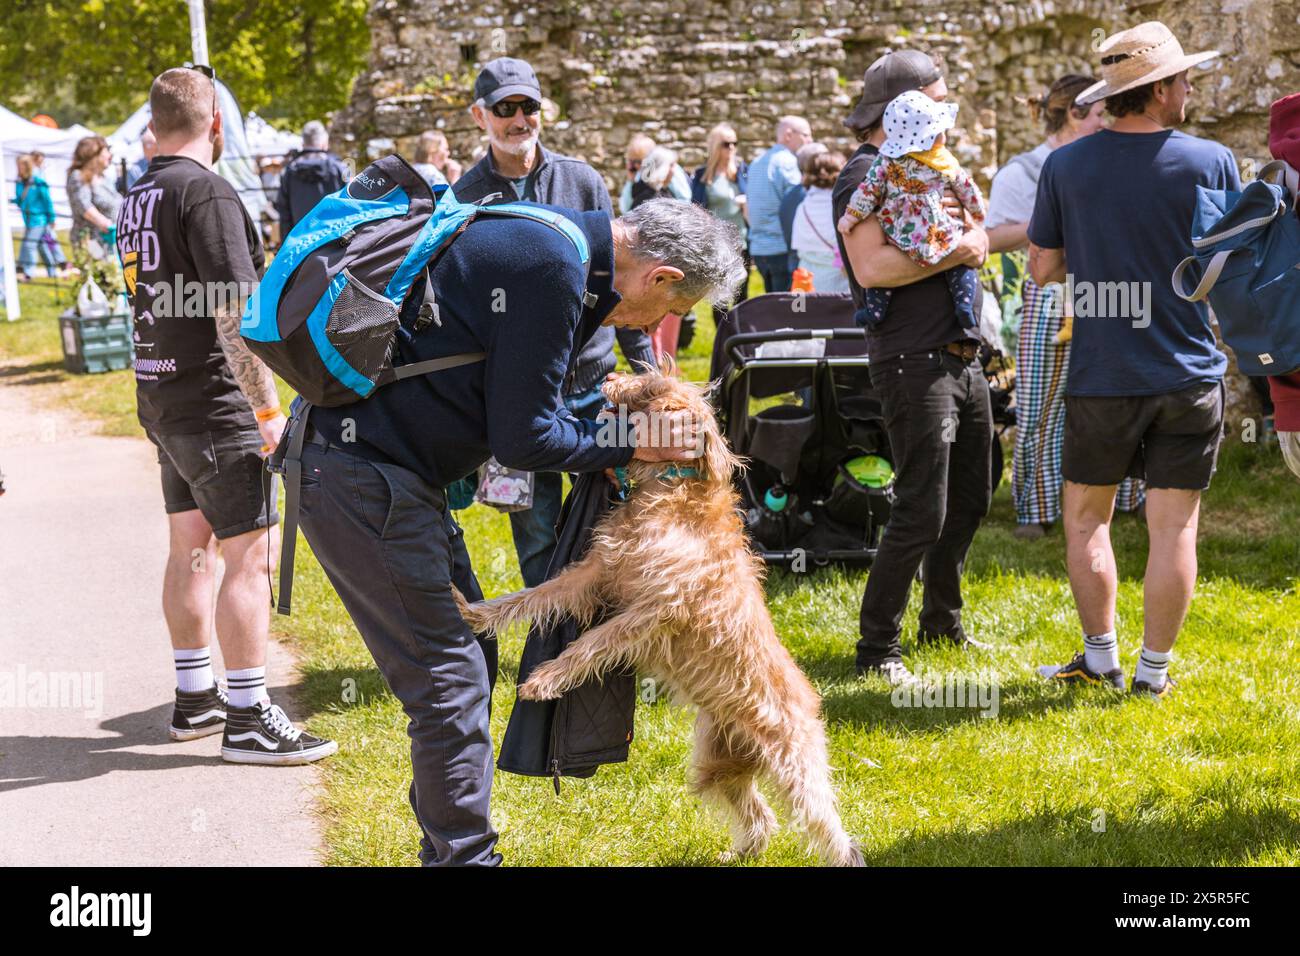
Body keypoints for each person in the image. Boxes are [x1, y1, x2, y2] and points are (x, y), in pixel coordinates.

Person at [295, 197, 746, 865]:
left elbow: (543, 401)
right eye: (675, 313)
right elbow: (527, 436)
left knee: (468, 657)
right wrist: (634, 445)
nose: (661, 328)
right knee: (448, 677)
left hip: (383, 474)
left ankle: (448, 840)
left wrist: (625, 433)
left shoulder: (559, 244)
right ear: (663, 277)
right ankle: (465, 858)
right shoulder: (553, 267)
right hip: (360, 475)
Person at [114, 67, 337, 763]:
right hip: (213, 401)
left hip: (161, 392)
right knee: (250, 554)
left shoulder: (138, 193)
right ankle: (247, 715)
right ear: (216, 124)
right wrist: (267, 407)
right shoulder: (205, 191)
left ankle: (195, 698)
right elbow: (237, 314)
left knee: (191, 548)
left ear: (156, 123)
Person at [1028, 21, 1238, 698]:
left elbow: (1040, 268)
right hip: (1189, 369)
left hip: (1103, 372)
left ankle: (1099, 658)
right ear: (1158, 90)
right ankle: (1151, 676)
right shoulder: (1210, 162)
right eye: (1184, 80)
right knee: (1174, 526)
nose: (1190, 90)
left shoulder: (1065, 164)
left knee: (1086, 519)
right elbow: (1229, 266)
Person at [453, 56, 656, 590]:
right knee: (537, 526)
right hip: (515, 391)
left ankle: (602, 633)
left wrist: (647, 370)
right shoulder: (466, 196)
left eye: (530, 107)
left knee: (611, 511)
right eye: (505, 109)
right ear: (480, 117)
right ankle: (548, 636)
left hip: (591, 381)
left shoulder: (582, 181)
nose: (520, 120)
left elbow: (625, 279)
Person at [835, 50, 993, 685]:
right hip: (911, 360)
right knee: (921, 507)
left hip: (961, 353)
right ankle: (878, 648)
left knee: (972, 498)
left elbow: (973, 232)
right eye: (938, 97)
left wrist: (972, 242)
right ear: (904, 106)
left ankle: (942, 620)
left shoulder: (929, 166)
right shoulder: (865, 174)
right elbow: (872, 268)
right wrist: (958, 250)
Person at [985, 75, 1147, 538]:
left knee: (1123, 398)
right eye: (1099, 114)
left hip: (1110, 291)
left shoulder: (1110, 159)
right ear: (1075, 115)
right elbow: (992, 238)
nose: (1107, 122)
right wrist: (1056, 218)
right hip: (1050, 296)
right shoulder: (1024, 171)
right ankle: (1035, 510)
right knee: (1042, 405)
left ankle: (1131, 497)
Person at [838, 92, 985, 327]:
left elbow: (868, 192)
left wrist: (851, 216)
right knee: (958, 269)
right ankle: (964, 303)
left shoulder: (886, 161)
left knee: (883, 287)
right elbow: (967, 188)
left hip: (903, 230)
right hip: (939, 230)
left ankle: (875, 311)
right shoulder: (945, 161)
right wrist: (976, 212)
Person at [690, 123, 750, 331]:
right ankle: (723, 336)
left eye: (735, 143)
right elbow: (696, 208)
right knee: (721, 294)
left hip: (742, 240)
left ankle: (742, 336)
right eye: (726, 144)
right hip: (718, 243)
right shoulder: (703, 176)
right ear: (715, 146)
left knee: (742, 292)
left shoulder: (742, 172)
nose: (732, 148)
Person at [747, 116, 813, 292]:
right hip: (782, 249)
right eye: (806, 135)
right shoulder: (789, 163)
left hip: (759, 250)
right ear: (788, 134)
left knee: (773, 308)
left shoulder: (756, 162)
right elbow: (798, 204)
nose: (810, 141)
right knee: (791, 311)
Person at [274, 120, 349, 235]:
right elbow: (350, 208)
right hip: (334, 240)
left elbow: (284, 214)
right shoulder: (339, 168)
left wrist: (286, 246)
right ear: (325, 142)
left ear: (303, 142)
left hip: (300, 242)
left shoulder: (289, 171)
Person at [790, 150, 848, 292]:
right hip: (838, 278)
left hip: (807, 278)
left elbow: (798, 246)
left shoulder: (802, 207)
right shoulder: (842, 207)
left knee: (807, 312)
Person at [13, 153, 70, 280]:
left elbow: (47, 201)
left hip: (40, 219)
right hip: (28, 219)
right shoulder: (19, 182)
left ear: (27, 166)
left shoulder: (39, 182)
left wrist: (52, 218)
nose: (18, 168)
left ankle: (29, 272)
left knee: (30, 245)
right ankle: (53, 271)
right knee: (43, 246)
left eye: (21, 166)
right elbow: (19, 199)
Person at [66, 135, 121, 260]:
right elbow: (83, 205)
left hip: (109, 240)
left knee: (112, 275)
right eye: (106, 151)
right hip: (91, 241)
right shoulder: (78, 177)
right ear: (94, 155)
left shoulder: (103, 178)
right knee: (100, 274)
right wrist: (105, 224)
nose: (110, 155)